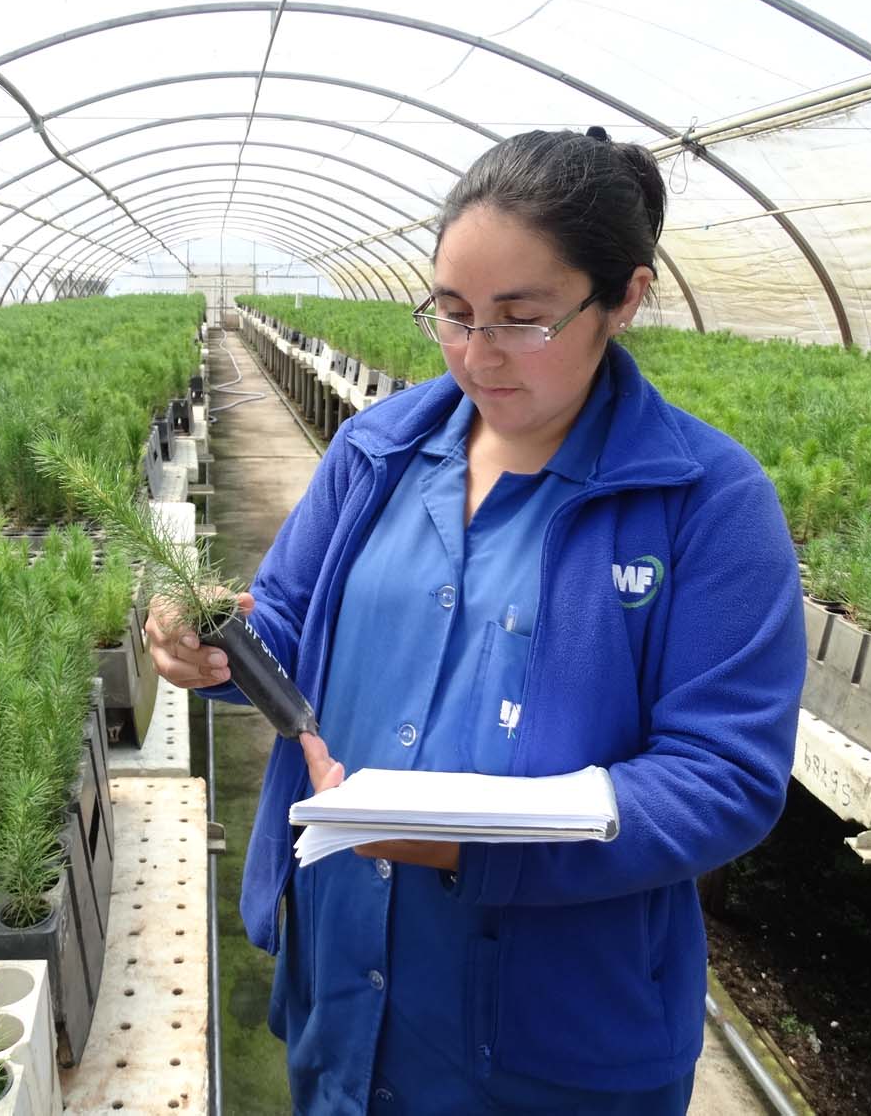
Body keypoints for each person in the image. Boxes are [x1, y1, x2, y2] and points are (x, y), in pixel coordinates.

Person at [149, 127, 806, 1114]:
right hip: (348, 980)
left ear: (621, 298)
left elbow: (725, 778)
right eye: (452, 314)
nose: (475, 354)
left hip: (553, 1037)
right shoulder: (378, 450)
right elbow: (286, 618)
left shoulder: (704, 502)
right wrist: (213, 641)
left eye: (520, 319)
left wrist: (472, 846)